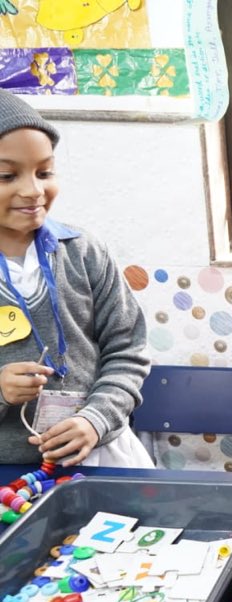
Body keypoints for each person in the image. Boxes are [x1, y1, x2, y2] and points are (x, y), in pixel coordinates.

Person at [0, 88, 152, 469]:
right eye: (7, 175)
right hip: (10, 476)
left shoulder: (84, 251)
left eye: (45, 172)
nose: (33, 190)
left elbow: (128, 350)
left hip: (104, 454)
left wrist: (95, 418)